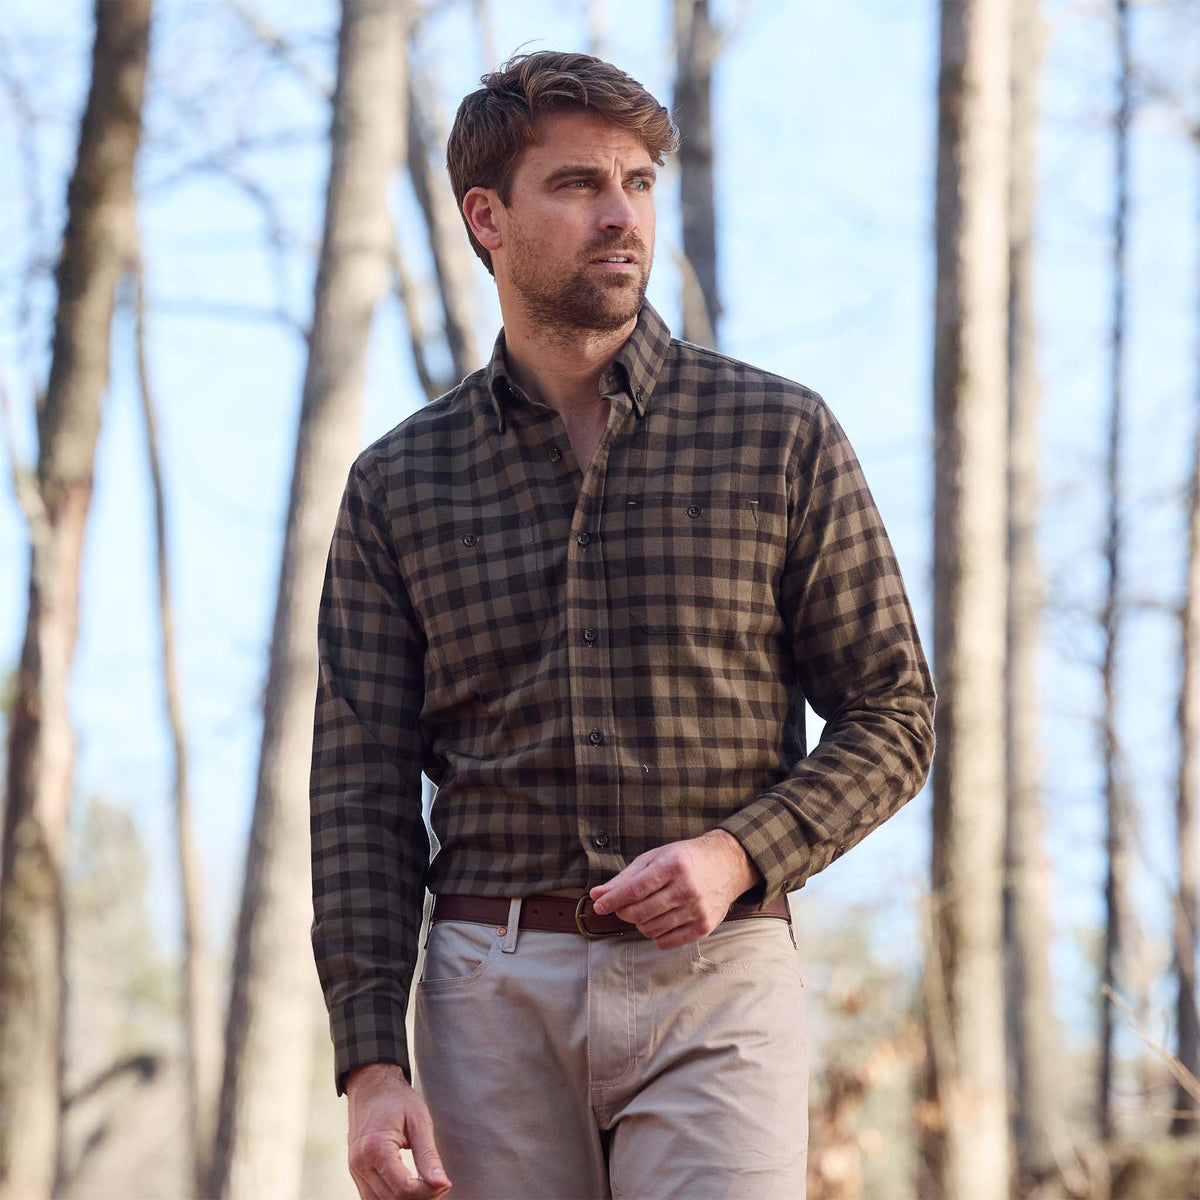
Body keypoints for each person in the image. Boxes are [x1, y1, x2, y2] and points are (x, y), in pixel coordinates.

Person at [310, 50, 935, 1200]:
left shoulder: (778, 435)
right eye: (578, 184)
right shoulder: (399, 484)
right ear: (486, 217)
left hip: (719, 978)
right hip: (487, 997)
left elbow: (895, 715)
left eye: (639, 182)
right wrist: (370, 1061)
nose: (621, 214)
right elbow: (360, 789)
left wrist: (737, 854)